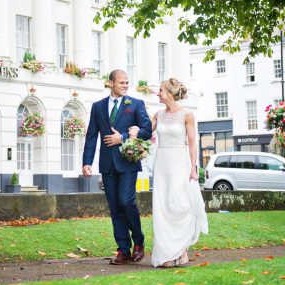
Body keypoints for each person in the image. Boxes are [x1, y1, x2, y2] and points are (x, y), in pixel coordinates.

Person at [132, 78, 208, 268]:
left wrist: (193, 168)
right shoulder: (157, 115)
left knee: (179, 204)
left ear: (171, 93)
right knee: (163, 206)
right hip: (162, 163)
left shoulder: (187, 115)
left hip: (180, 163)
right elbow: (146, 134)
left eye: (160, 90)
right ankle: (167, 253)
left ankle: (181, 249)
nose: (157, 93)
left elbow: (192, 143)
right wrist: (134, 133)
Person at [83, 69, 152, 265]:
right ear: (111, 83)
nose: (125, 86)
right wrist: (87, 162)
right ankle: (123, 249)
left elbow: (146, 131)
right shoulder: (98, 107)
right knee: (114, 207)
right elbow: (91, 136)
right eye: (121, 82)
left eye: (127, 83)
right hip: (107, 164)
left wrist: (122, 137)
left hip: (128, 162)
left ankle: (138, 241)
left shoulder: (136, 104)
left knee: (126, 201)